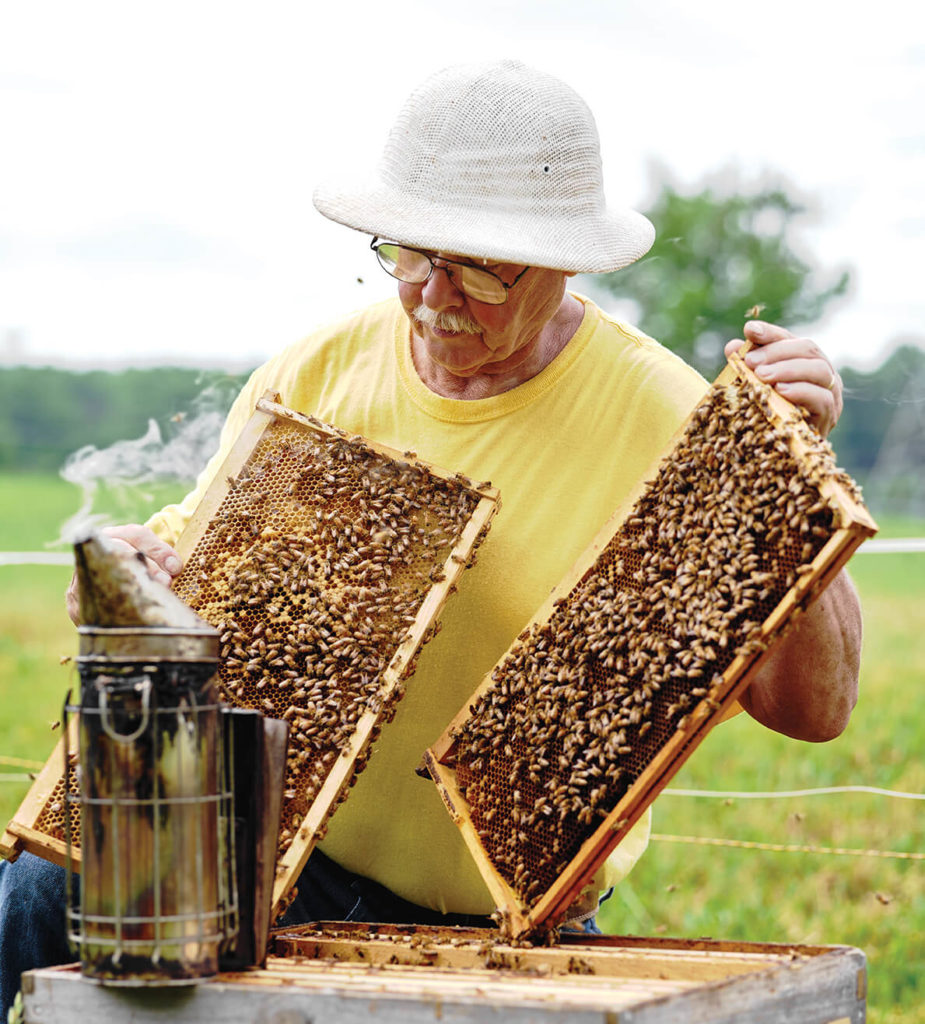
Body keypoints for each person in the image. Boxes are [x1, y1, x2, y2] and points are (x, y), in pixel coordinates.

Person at [1, 59, 860, 1014]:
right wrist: (124, 579)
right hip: (278, 856)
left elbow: (812, 708)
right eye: (409, 254)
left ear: (566, 259)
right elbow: (193, 570)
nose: (432, 295)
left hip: (505, 914)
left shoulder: (662, 417)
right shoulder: (321, 368)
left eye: (481, 266)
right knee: (42, 894)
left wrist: (786, 475)